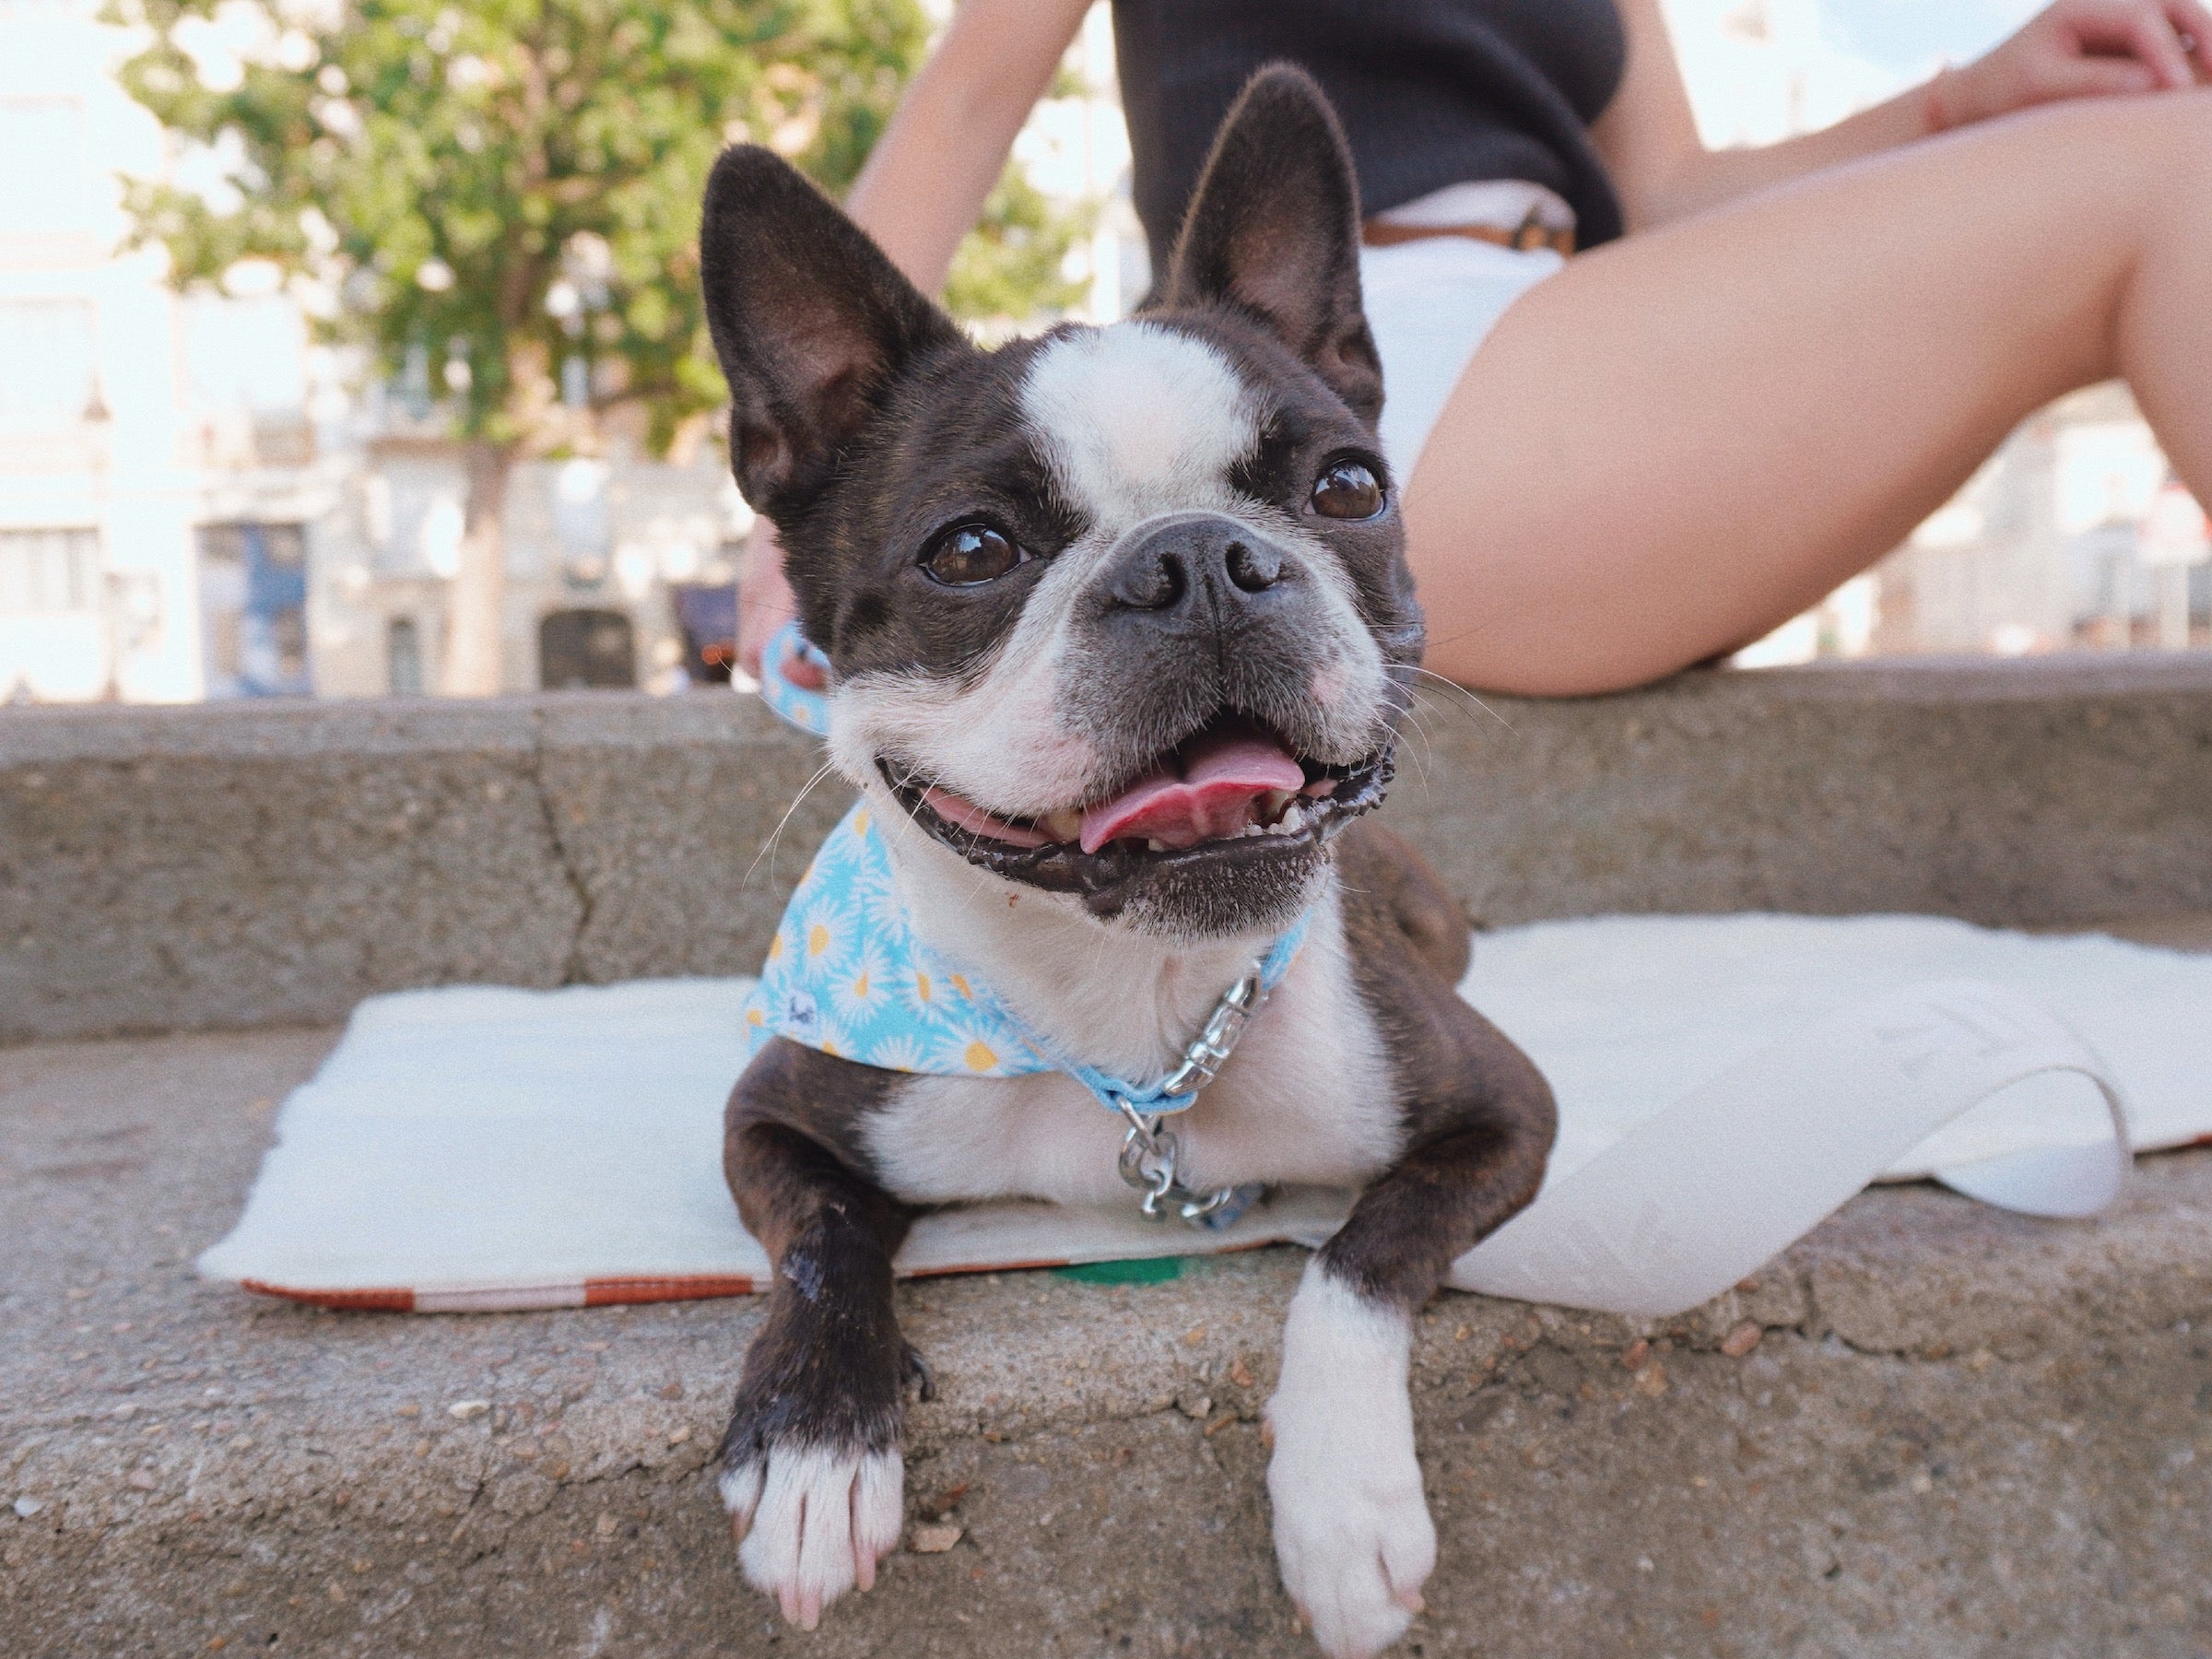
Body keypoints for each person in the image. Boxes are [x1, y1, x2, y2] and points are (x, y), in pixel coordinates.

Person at [736, 0, 2212, 697]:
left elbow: (1667, 197)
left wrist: (1963, 103)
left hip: (1580, 350)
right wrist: (819, 522)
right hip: (1361, 385)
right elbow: (960, 111)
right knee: (2176, 169)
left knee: (2157, 156)